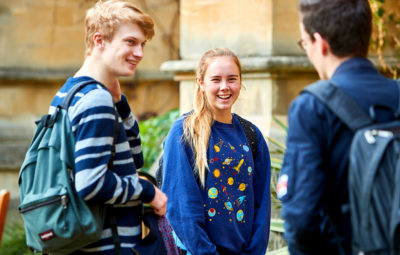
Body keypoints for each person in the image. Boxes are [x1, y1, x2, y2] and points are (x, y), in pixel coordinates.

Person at [277, 0, 399, 254]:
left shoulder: (312, 107)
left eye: (305, 43)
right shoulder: (397, 93)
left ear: (320, 43)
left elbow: (301, 219)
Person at [48, 0, 167, 254]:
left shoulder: (69, 93)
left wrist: (120, 105)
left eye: (142, 44)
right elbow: (91, 182)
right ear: (99, 40)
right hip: (105, 245)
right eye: (131, 42)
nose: (140, 53)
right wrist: (149, 192)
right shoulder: (95, 100)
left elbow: (132, 161)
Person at [161, 47, 271, 255]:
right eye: (216, 80)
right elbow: (181, 206)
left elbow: (262, 205)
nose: (224, 87)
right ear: (201, 83)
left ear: (240, 82)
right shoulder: (185, 131)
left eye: (232, 79)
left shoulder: (251, 135)